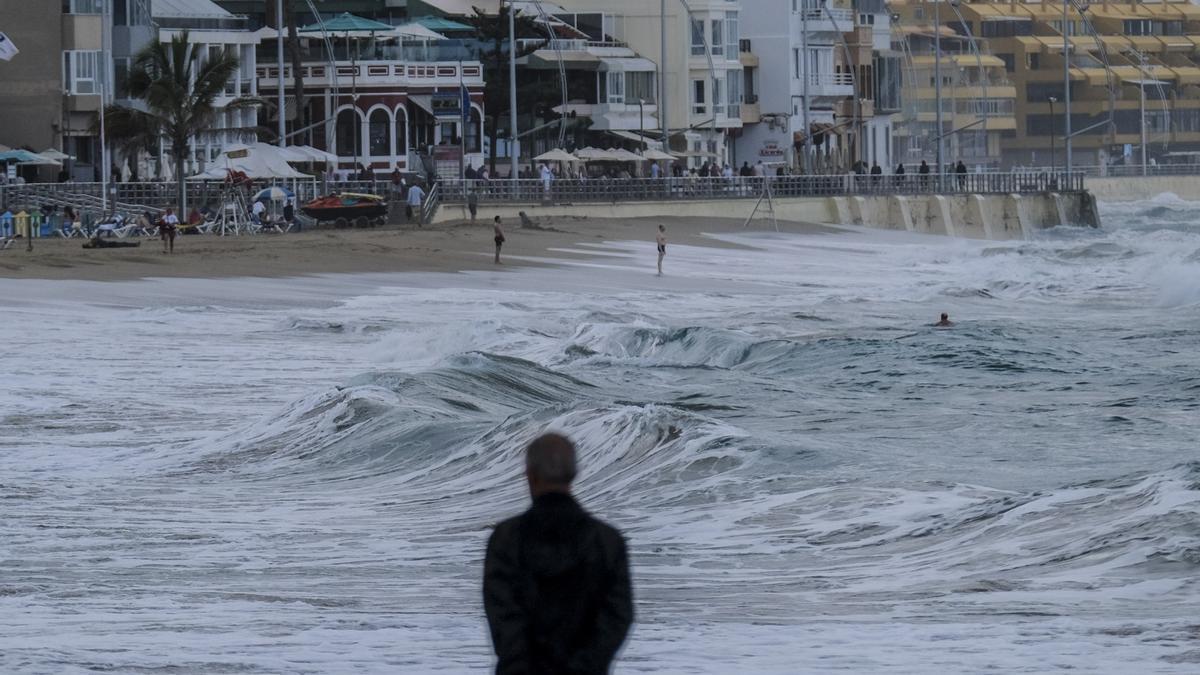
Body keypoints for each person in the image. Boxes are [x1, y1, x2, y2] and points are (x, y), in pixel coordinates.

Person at [484, 433, 633, 675]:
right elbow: (618, 617)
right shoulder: (607, 541)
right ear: (574, 474)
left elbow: (503, 619)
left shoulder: (506, 538)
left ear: (530, 475)